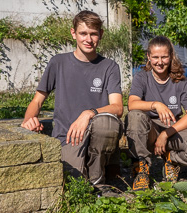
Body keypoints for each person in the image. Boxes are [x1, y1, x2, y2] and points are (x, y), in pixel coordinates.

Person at [21, 10, 123, 185]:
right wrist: (29, 119)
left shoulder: (109, 67)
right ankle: (92, 175)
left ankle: (99, 181)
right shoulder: (58, 63)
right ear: (73, 33)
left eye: (93, 34)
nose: (88, 39)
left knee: (107, 121)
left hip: (98, 135)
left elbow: (118, 107)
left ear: (101, 34)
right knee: (74, 182)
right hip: (68, 138)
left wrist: (88, 113)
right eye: (83, 33)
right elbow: (37, 100)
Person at [125, 36, 187, 191]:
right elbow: (131, 103)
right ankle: (142, 168)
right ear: (148, 56)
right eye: (155, 57)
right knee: (134, 116)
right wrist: (156, 105)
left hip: (173, 128)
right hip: (148, 129)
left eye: (164, 57)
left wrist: (166, 134)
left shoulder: (180, 80)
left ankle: (172, 158)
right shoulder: (141, 77)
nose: (159, 62)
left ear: (171, 56)